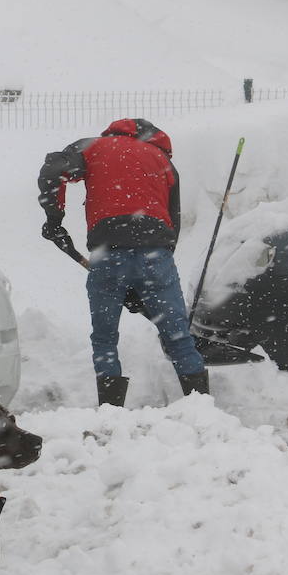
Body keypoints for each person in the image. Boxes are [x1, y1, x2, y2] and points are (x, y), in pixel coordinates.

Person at [37, 118, 209, 406]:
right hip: (157, 255)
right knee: (179, 338)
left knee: (105, 338)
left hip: (108, 254)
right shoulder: (163, 162)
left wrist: (55, 220)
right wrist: (150, 278)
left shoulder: (93, 147)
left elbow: (54, 169)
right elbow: (172, 224)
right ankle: (204, 410)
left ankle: (111, 413)